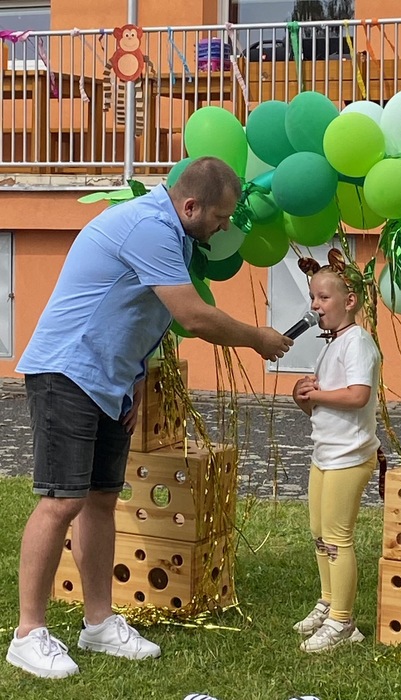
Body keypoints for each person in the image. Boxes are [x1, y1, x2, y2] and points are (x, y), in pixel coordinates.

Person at [7, 157, 292, 679]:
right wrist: (259, 338)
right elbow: (191, 315)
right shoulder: (150, 227)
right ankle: (28, 634)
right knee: (61, 500)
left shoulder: (174, 234)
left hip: (109, 381)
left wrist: (135, 379)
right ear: (192, 206)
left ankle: (98, 624)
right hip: (67, 372)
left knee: (100, 499)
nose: (224, 228)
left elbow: (138, 312)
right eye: (221, 217)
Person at [291, 249, 380, 653]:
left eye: (323, 297)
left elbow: (358, 395)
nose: (315, 305)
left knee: (337, 537)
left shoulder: (358, 342)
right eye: (313, 297)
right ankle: (328, 602)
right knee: (319, 533)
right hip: (325, 452)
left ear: (350, 301)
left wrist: (319, 394)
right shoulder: (331, 344)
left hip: (350, 454)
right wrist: (304, 397)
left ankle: (343, 622)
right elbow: (323, 403)